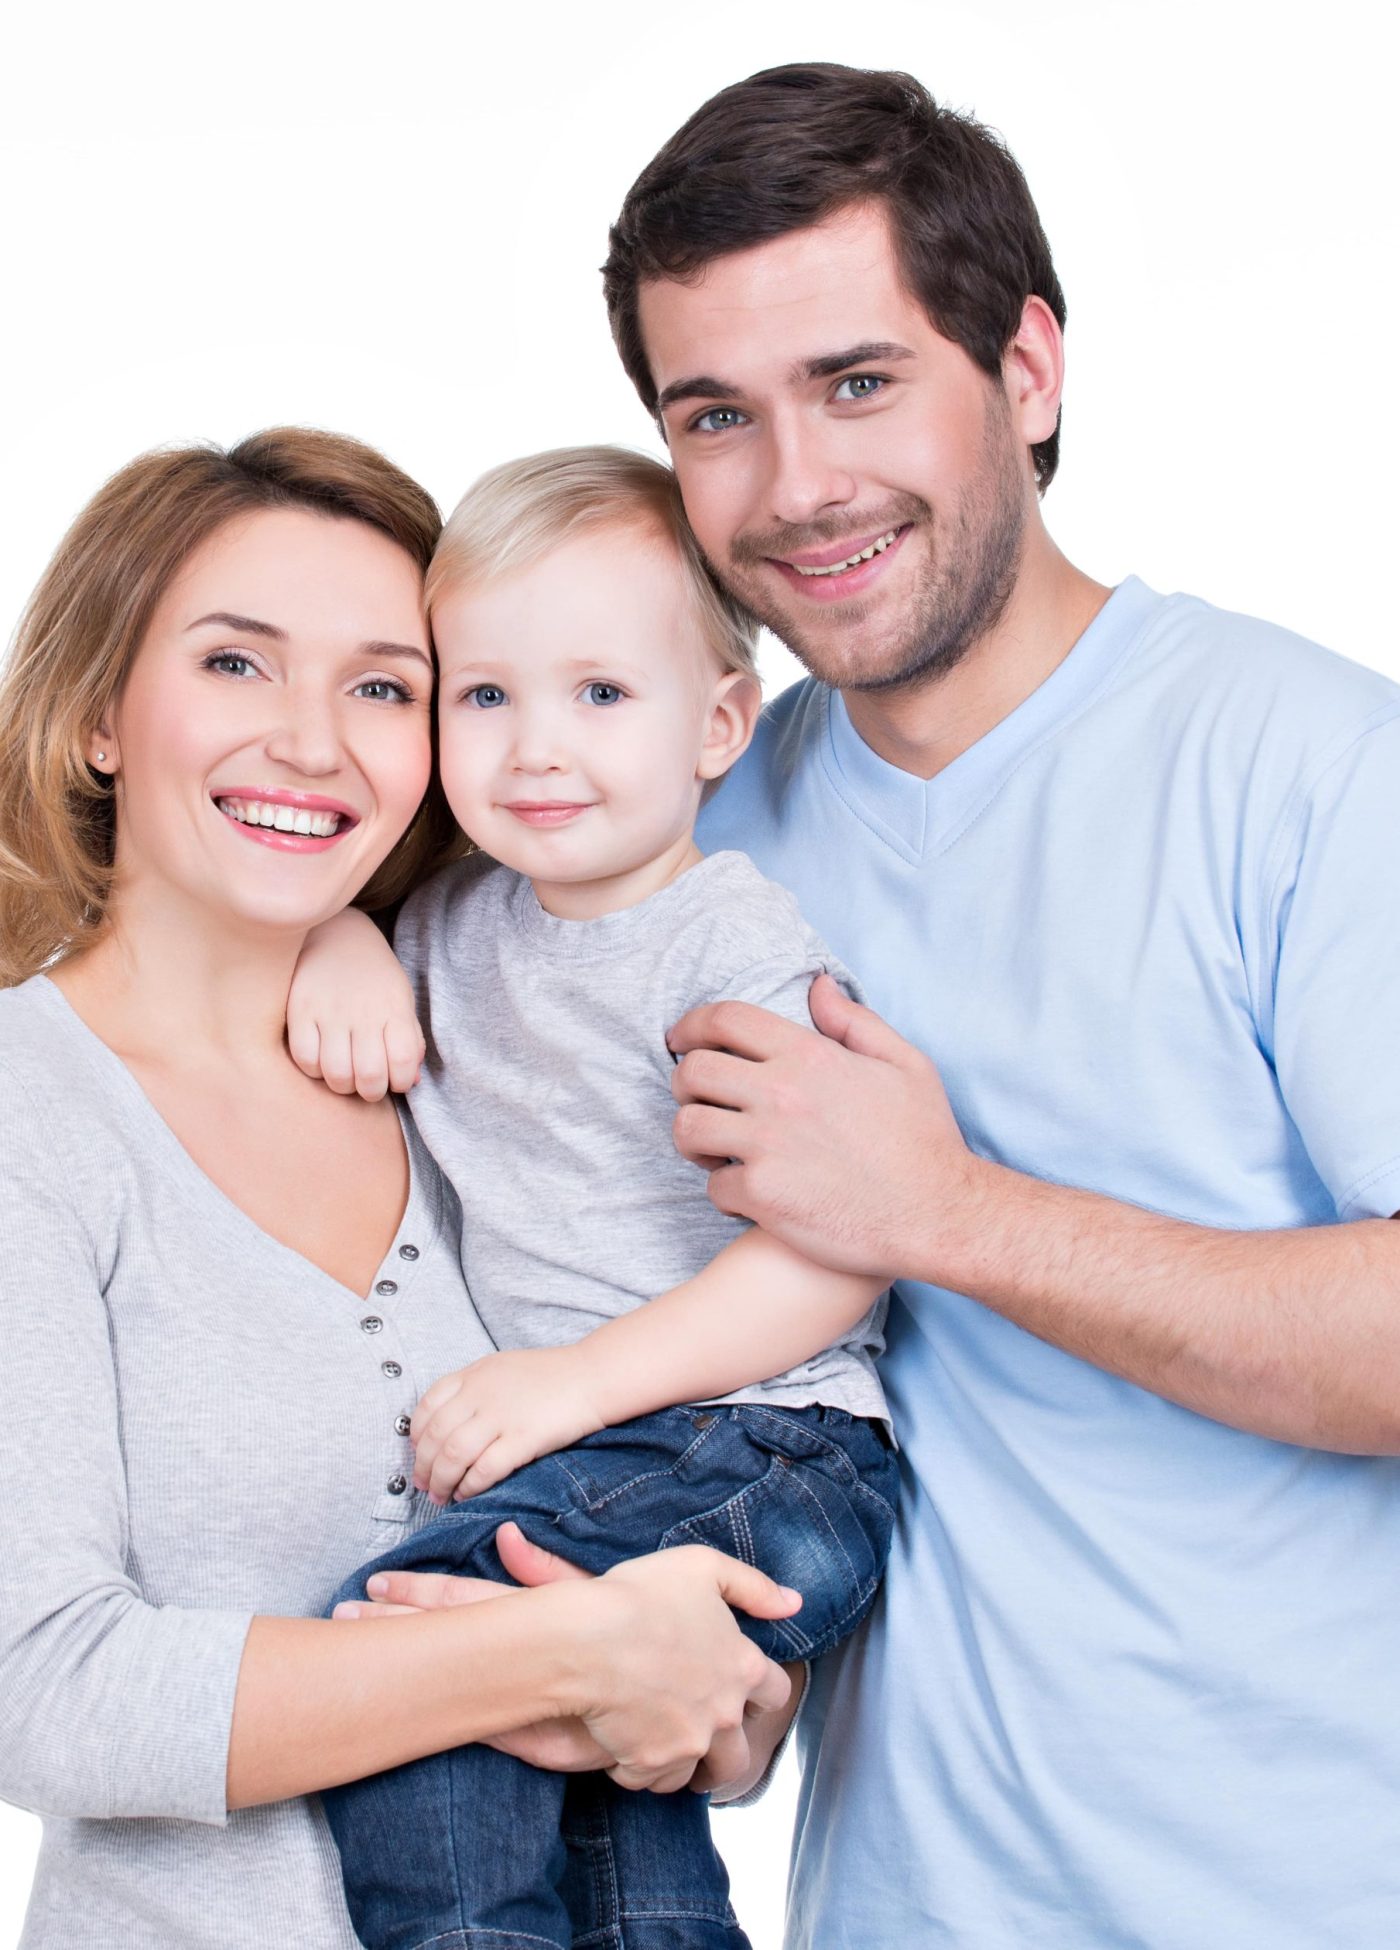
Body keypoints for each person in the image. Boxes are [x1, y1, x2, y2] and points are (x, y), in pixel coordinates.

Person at [593, 59, 1400, 1949]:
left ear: (1028, 372)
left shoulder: (1313, 768)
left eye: (859, 382)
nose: (798, 488)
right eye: (718, 414)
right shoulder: (705, 830)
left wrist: (949, 1214)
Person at [0, 429, 796, 1950]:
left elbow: (662, 1511)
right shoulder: (32, 1109)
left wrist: (713, 1702)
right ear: (101, 709)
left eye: (384, 686)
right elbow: (45, 1693)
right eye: (238, 665)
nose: (317, 742)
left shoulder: (467, 1064)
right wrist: (572, 1647)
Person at [288, 445, 896, 1950]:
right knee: (610, 1801)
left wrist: (569, 1385)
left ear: (718, 722)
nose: (535, 748)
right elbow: (344, 938)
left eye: (600, 694)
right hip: (627, 1462)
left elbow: (837, 1254)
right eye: (483, 696)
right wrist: (340, 945)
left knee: (417, 1637)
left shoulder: (730, 944)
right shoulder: (452, 920)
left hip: (776, 1452)